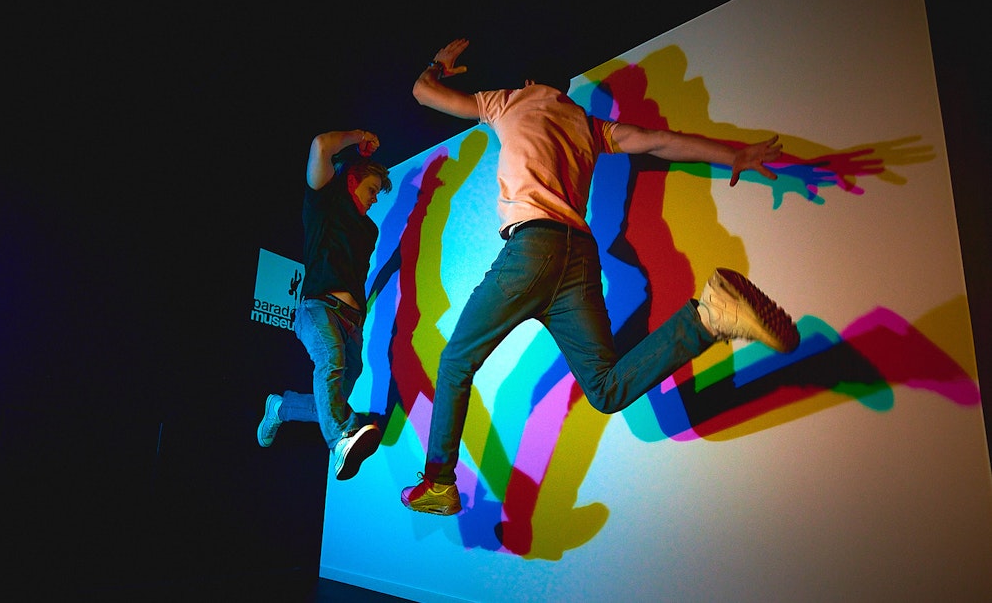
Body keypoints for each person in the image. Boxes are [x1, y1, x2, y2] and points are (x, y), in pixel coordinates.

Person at [401, 38, 800, 514]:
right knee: (606, 389)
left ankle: (439, 482)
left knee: (455, 361)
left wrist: (439, 66)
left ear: (529, 81)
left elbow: (423, 92)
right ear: (565, 86)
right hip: (578, 258)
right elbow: (659, 141)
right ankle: (708, 318)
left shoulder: (507, 101)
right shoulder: (587, 125)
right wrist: (731, 154)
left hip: (533, 249)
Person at [257, 129, 392, 480]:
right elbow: (320, 145)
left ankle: (280, 407)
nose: (375, 199)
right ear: (352, 180)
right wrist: (359, 137)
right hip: (317, 308)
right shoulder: (324, 201)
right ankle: (341, 440)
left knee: (329, 402)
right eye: (372, 190)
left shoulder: (369, 231)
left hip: (353, 321)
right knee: (329, 361)